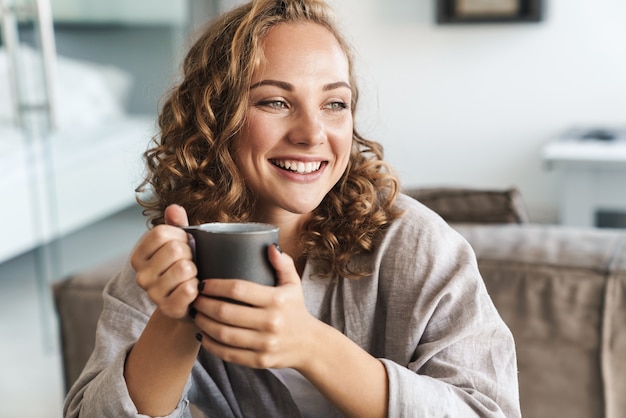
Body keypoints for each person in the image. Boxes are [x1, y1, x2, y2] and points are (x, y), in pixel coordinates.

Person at [64, 0, 521, 417]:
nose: (312, 133)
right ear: (215, 118)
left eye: (334, 104)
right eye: (276, 101)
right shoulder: (168, 263)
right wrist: (175, 318)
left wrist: (311, 345)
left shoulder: (417, 245)